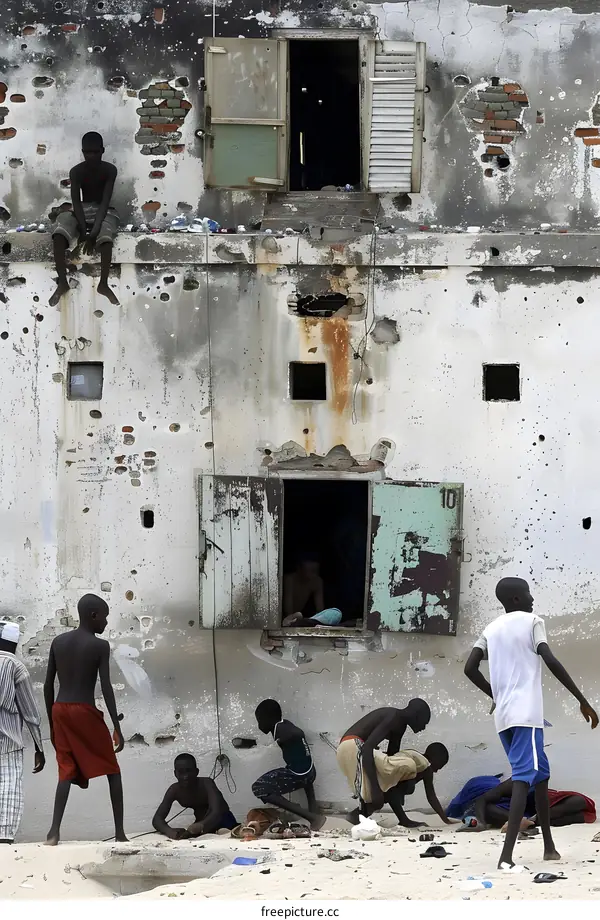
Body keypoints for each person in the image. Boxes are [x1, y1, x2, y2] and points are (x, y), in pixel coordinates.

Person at [464, 576, 598, 869]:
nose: (532, 598)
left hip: (504, 717)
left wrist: (496, 695)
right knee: (524, 776)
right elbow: (548, 657)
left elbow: (469, 668)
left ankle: (549, 847)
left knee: (540, 776)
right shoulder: (532, 620)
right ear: (516, 599)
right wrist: (581, 699)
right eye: (527, 593)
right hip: (526, 714)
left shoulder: (490, 629)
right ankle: (506, 858)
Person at [43, 593, 126, 845]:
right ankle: (120, 833)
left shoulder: (58, 641)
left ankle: (53, 832)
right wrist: (116, 726)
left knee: (66, 770)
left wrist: (52, 724)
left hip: (60, 709)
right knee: (112, 769)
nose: (106, 623)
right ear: (93, 615)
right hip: (84, 711)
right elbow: (106, 686)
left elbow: (48, 686)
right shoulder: (99, 646)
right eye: (105, 617)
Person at [49, 131, 119, 306]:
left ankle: (103, 284)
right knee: (59, 233)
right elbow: (76, 202)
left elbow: (105, 202)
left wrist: (93, 233)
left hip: (103, 209)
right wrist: (81, 229)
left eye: (95, 152)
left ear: (102, 150)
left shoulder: (110, 170)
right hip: (82, 208)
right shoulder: (76, 171)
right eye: (88, 152)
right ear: (82, 152)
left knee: (107, 235)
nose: (92, 156)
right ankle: (63, 282)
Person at [336, 701, 434, 819]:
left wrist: (398, 783)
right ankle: (363, 810)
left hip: (351, 750)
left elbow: (392, 759)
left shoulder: (400, 726)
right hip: (352, 746)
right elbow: (367, 748)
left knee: (385, 787)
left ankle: (357, 816)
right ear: (417, 715)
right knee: (409, 765)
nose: (423, 728)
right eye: (424, 723)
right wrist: (375, 789)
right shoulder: (394, 717)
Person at [0, 621, 45, 843]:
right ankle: (4, 838)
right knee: (8, 787)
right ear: (14, 642)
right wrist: (39, 747)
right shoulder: (16, 666)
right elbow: (30, 712)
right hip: (8, 741)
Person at [252, 699, 324, 829]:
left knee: (259, 787)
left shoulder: (281, 729)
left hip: (299, 774)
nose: (259, 725)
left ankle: (312, 817)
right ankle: (313, 811)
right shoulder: (283, 724)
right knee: (298, 769)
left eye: (259, 720)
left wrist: (283, 739)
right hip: (309, 773)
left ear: (268, 718)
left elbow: (297, 733)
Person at [346, 742, 452, 828]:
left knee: (379, 801)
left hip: (381, 776)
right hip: (387, 781)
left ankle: (354, 817)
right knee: (407, 787)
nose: (437, 770)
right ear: (435, 759)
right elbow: (431, 796)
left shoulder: (414, 754)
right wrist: (445, 819)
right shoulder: (426, 767)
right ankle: (404, 820)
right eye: (439, 766)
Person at [448, 774, 596, 830]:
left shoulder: (535, 781)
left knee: (580, 802)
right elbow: (482, 800)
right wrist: (480, 822)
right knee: (489, 810)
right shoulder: (511, 783)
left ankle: (533, 821)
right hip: (513, 813)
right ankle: (527, 821)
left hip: (540, 808)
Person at [152, 753, 238, 839]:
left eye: (189, 771)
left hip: (224, 821)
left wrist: (201, 825)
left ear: (196, 772)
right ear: (175, 773)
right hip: (201, 826)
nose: (185, 776)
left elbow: (216, 811)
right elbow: (157, 819)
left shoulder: (207, 783)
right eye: (181, 772)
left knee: (223, 831)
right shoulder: (174, 790)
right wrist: (170, 831)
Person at [282, 555, 342, 627]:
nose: (313, 567)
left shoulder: (317, 581)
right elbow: (288, 610)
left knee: (335, 613)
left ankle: (305, 622)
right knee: (298, 615)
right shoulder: (290, 579)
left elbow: (319, 610)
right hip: (286, 618)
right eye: (309, 562)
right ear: (299, 567)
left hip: (305, 620)